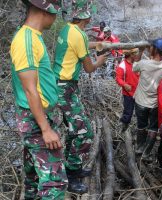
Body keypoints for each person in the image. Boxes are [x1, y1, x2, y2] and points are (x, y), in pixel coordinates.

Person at [10, 0, 68, 199]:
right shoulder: (26, 40)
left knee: (34, 178)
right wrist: (46, 129)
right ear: (46, 11)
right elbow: (29, 89)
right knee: (55, 183)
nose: (56, 18)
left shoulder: (34, 36)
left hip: (37, 116)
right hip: (35, 120)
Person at [53, 3, 106, 194]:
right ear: (87, 18)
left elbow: (79, 45)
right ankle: (73, 177)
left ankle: (71, 168)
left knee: (73, 129)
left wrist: (97, 45)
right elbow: (89, 68)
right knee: (85, 133)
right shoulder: (80, 34)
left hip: (60, 84)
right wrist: (102, 58)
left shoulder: (68, 29)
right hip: (65, 87)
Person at [133, 38, 162, 161]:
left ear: (153, 49)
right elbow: (159, 62)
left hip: (141, 102)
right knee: (153, 128)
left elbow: (134, 67)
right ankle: (147, 153)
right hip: (155, 104)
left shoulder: (143, 64)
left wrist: (140, 51)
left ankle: (139, 148)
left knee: (141, 125)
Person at [115, 48, 140, 132]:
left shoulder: (137, 64)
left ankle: (139, 129)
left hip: (139, 92)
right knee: (128, 113)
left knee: (140, 112)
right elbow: (118, 78)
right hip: (128, 94)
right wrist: (124, 84)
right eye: (135, 54)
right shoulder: (122, 65)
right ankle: (124, 128)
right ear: (131, 55)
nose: (137, 55)